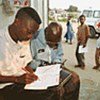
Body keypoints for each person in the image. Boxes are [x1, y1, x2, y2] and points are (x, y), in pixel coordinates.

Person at [29, 22, 80, 100]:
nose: (53, 46)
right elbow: (29, 62)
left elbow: (59, 54)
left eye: (55, 44)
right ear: (46, 34)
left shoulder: (56, 37)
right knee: (58, 90)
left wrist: (56, 61)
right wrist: (42, 65)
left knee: (75, 78)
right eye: (50, 43)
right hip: (38, 70)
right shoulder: (34, 39)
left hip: (54, 67)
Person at [0, 7, 42, 100]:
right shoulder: (1, 40)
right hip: (5, 87)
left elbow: (24, 65)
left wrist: (31, 73)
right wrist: (16, 79)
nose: (30, 37)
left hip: (21, 84)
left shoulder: (23, 40)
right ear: (17, 22)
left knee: (63, 85)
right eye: (29, 32)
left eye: (33, 34)